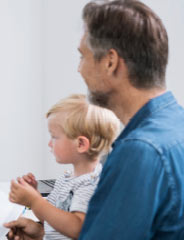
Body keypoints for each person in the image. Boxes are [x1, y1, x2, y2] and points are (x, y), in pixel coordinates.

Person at [76, 1, 184, 239]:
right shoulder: (177, 126)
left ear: (110, 62)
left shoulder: (139, 151)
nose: (79, 69)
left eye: (82, 56)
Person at [5, 94, 120, 240]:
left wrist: (34, 201)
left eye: (54, 137)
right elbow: (49, 217)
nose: (49, 143)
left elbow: (77, 228)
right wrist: (34, 197)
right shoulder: (66, 179)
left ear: (80, 144)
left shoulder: (91, 184)